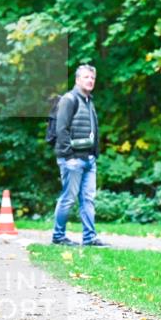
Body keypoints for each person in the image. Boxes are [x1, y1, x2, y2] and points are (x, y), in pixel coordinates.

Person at [50, 64, 108, 247]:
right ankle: (58, 237)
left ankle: (90, 237)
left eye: (92, 78)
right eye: (86, 77)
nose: (90, 80)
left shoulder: (88, 101)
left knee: (88, 199)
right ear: (77, 80)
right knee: (68, 198)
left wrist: (94, 154)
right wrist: (69, 156)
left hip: (89, 159)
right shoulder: (69, 99)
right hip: (72, 159)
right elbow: (61, 129)